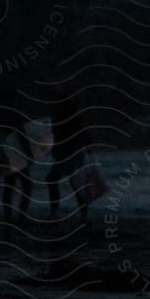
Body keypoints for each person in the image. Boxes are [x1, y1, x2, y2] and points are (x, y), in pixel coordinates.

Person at [46, 88, 92, 227]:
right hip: (72, 151)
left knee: (54, 180)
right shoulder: (69, 111)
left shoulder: (62, 112)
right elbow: (82, 131)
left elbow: (59, 133)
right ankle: (82, 216)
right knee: (74, 183)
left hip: (68, 152)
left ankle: (56, 213)